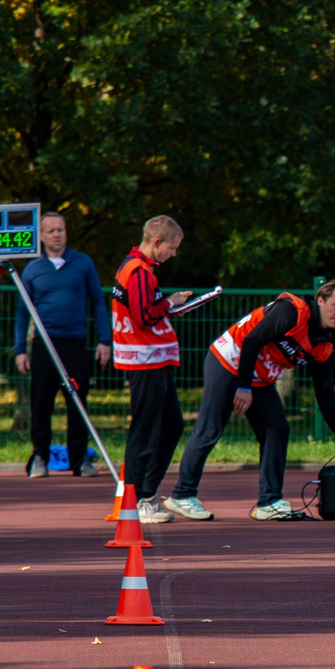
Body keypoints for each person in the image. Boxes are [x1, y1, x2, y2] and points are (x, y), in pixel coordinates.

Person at [162, 283, 335, 522]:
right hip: (228, 360)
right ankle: (182, 494)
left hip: (258, 377)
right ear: (321, 300)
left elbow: (324, 392)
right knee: (210, 428)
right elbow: (252, 340)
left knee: (277, 429)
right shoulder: (292, 311)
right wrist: (244, 387)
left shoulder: (323, 344)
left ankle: (269, 501)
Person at [110, 217, 196, 523]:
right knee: (146, 431)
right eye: (172, 247)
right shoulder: (138, 271)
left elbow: (146, 311)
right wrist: (170, 304)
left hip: (151, 358)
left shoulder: (137, 268)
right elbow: (144, 316)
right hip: (144, 360)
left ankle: (146, 493)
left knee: (171, 425)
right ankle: (137, 500)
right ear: (157, 242)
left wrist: (169, 307)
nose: (174, 254)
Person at [12, 212, 106, 477]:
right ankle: (40, 457)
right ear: (41, 236)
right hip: (44, 345)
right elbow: (22, 311)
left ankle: (79, 460)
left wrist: (104, 340)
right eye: (51, 230)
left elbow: (98, 301)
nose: (57, 234)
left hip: (75, 344)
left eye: (61, 229)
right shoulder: (32, 269)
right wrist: (20, 350)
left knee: (78, 403)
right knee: (41, 404)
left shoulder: (83, 263)